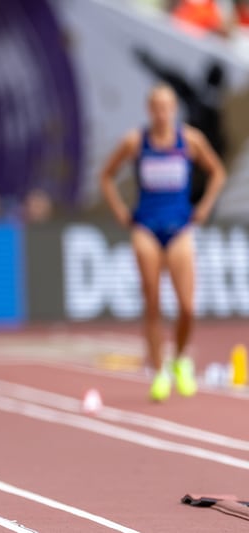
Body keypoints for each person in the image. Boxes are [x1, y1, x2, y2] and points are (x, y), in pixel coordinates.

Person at [99, 84, 225, 402]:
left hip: (180, 227)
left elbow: (217, 172)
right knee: (152, 302)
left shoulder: (190, 140)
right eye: (156, 107)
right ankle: (159, 373)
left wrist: (204, 207)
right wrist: (119, 210)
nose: (162, 113)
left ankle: (180, 359)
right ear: (149, 109)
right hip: (145, 228)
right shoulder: (135, 141)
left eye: (167, 107)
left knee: (187, 306)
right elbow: (106, 176)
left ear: (174, 109)